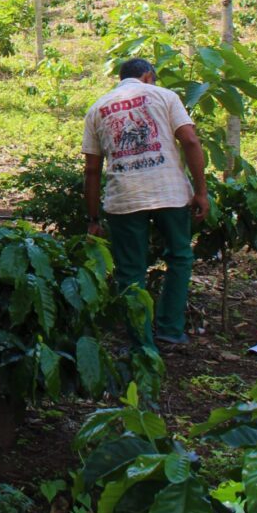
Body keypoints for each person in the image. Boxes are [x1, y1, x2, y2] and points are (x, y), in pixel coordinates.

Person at [82, 57, 209, 349]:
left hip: (124, 198)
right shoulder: (165, 96)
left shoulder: (98, 108)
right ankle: (171, 329)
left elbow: (91, 169)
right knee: (179, 258)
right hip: (170, 192)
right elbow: (190, 140)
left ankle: (141, 343)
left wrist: (93, 218)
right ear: (149, 76)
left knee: (130, 271)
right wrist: (201, 191)